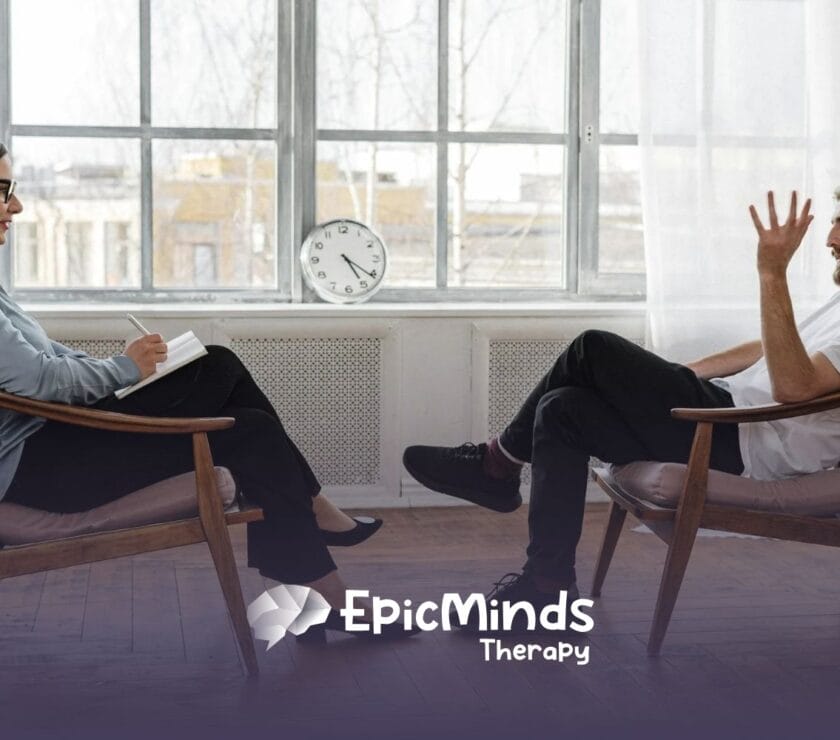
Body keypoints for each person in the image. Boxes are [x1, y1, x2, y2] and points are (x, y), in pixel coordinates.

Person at [0, 141, 403, 641]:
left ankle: (316, 590)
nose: (15, 206)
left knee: (244, 417)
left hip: (53, 441)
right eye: (4, 191)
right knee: (219, 364)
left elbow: (47, 359)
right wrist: (126, 370)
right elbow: (41, 381)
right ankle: (317, 535)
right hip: (38, 467)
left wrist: (117, 368)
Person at [404, 189, 840, 632]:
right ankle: (547, 586)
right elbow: (771, 348)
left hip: (741, 439)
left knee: (592, 347)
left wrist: (771, 272)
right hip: (726, 414)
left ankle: (496, 464)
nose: (829, 237)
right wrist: (670, 377)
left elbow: (793, 385)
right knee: (561, 409)